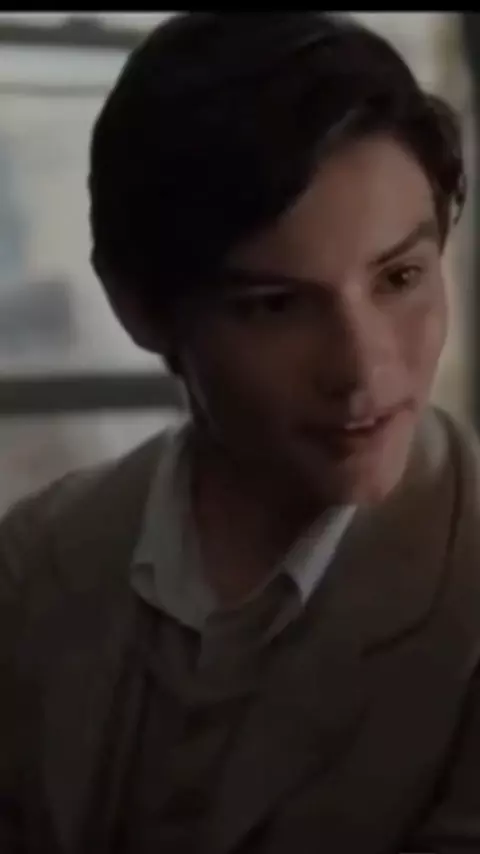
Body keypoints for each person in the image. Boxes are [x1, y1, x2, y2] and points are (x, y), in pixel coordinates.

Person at [1, 12, 479, 853]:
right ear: (140, 309)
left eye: (401, 276)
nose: (363, 370)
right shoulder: (31, 566)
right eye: (277, 305)